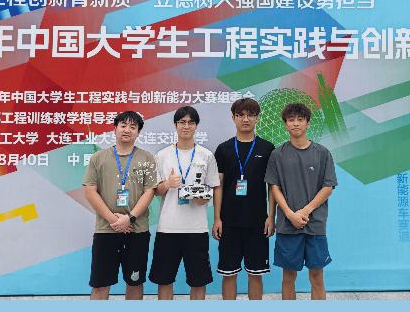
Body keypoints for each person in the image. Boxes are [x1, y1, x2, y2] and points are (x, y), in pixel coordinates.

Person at [265, 102, 337, 300]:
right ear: (285, 124)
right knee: (288, 277)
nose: (295, 123)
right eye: (291, 120)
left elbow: (328, 187)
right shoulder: (277, 154)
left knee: (317, 277)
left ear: (307, 123)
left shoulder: (322, 153)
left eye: (300, 119)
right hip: (287, 226)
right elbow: (274, 187)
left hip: (315, 225)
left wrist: (305, 211)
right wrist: (289, 214)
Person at [82, 111, 157, 300]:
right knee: (100, 284)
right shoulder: (98, 157)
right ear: (115, 128)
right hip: (106, 230)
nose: (127, 130)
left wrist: (129, 218)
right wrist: (114, 220)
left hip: (137, 230)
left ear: (138, 132)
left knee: (134, 282)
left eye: (133, 127)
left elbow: (150, 191)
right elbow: (90, 191)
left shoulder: (147, 158)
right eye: (123, 125)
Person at [149, 106, 220, 300]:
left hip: (196, 229)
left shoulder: (206, 155)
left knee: (199, 281)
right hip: (168, 228)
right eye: (182, 122)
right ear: (175, 125)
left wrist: (201, 196)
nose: (186, 126)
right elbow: (156, 191)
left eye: (190, 122)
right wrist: (167, 184)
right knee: (164, 280)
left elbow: (212, 188)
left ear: (196, 126)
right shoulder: (163, 155)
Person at [212, 98, 276, 300]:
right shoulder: (223, 149)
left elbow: (272, 186)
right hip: (229, 222)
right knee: (228, 274)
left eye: (250, 115)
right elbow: (218, 186)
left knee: (255, 274)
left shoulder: (267, 148)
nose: (245, 119)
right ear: (233, 118)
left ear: (257, 118)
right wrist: (217, 218)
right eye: (240, 115)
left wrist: (271, 216)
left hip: (258, 222)